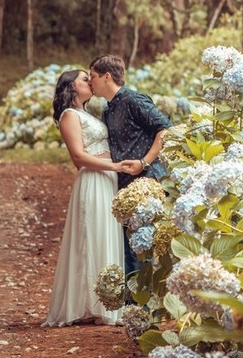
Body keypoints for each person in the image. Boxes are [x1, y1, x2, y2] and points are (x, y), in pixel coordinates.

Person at [43, 69, 140, 327]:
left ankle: (106, 304)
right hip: (94, 180)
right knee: (92, 236)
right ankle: (87, 304)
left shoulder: (88, 114)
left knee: (106, 236)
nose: (90, 82)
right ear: (71, 87)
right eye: (84, 79)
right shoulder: (69, 115)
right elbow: (78, 158)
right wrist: (115, 166)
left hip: (107, 179)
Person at [88, 54, 171, 277]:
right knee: (127, 251)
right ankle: (132, 308)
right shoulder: (107, 110)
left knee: (142, 250)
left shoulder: (134, 100)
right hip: (124, 187)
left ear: (107, 77)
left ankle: (142, 307)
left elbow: (165, 129)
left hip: (147, 182)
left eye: (92, 76)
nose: (89, 82)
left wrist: (144, 162)